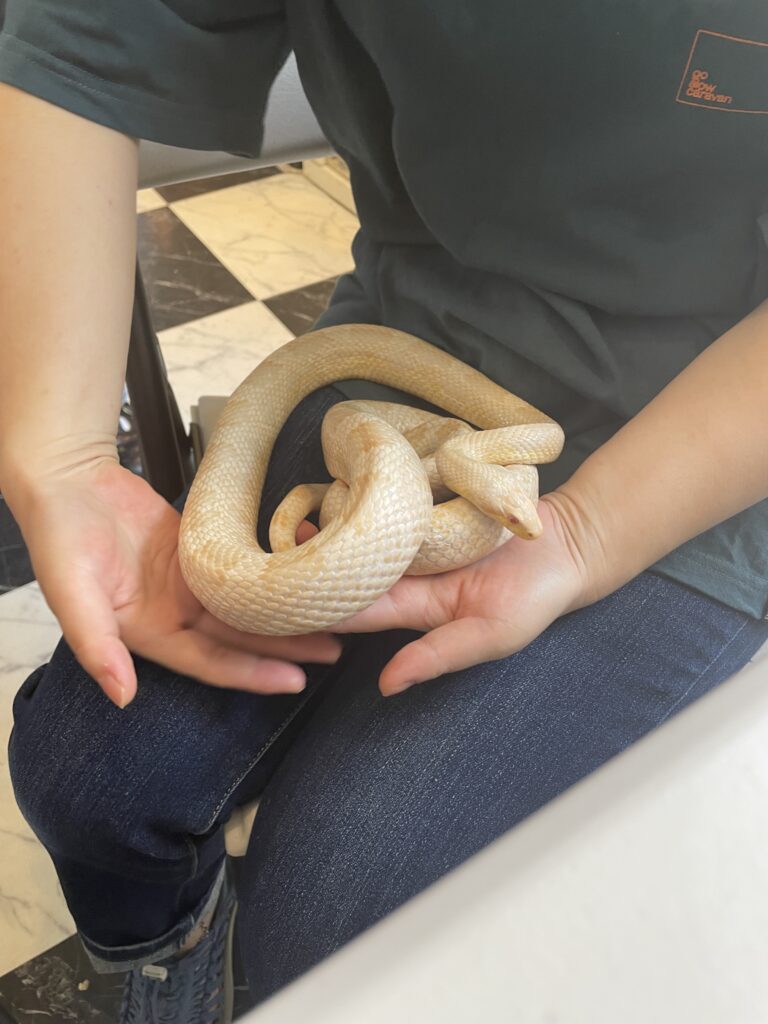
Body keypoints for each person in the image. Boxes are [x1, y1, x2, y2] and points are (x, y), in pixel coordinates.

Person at [1, 2, 768, 1021]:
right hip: (403, 336)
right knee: (83, 776)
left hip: (706, 442)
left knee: (338, 914)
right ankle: (170, 955)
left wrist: (583, 532)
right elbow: (81, 38)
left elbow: (555, 514)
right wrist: (60, 457)